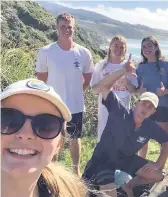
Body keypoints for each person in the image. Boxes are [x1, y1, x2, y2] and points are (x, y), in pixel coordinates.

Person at [82, 55, 168, 197]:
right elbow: (104, 87)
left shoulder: (149, 126)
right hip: (103, 161)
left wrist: (158, 163)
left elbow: (166, 141)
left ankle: (129, 186)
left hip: (126, 160)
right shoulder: (119, 110)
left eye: (150, 107)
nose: (146, 107)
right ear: (136, 103)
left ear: (153, 112)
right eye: (144, 103)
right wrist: (122, 70)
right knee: (107, 193)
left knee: (159, 175)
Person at [1, 79, 89, 197]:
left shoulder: (69, 192)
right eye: (9, 120)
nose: (26, 134)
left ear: (59, 144)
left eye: (46, 126)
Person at [35, 13, 94, 176]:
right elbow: (41, 80)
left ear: (73, 29)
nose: (66, 30)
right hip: (53, 105)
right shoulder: (46, 51)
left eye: (70, 27)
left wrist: (77, 93)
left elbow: (88, 78)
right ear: (57, 28)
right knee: (52, 137)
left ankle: (76, 169)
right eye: (63, 27)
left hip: (75, 105)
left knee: (75, 138)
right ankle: (51, 169)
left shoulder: (84, 53)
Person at [90, 35, 136, 186]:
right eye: (115, 45)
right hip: (105, 110)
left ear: (125, 50)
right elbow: (95, 90)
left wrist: (127, 81)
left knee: (121, 143)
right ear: (110, 46)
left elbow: (133, 90)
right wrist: (109, 80)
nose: (118, 49)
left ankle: (119, 177)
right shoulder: (101, 66)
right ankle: (100, 176)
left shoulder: (129, 67)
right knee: (103, 141)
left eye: (121, 46)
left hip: (123, 111)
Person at [129, 36, 168, 160]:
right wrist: (136, 90)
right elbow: (136, 89)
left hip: (162, 106)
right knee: (142, 138)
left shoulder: (165, 65)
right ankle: (141, 163)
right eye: (144, 46)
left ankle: (159, 166)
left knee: (165, 139)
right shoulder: (140, 67)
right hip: (145, 107)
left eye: (149, 45)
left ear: (156, 47)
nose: (146, 49)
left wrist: (165, 91)